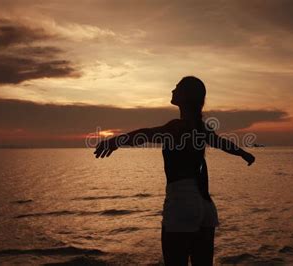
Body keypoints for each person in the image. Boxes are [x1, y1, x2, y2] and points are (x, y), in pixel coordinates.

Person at [94, 76, 255, 266]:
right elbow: (222, 143)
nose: (172, 90)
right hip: (206, 207)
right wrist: (244, 154)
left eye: (177, 87)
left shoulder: (178, 127)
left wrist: (115, 141)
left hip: (182, 204)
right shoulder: (201, 129)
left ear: (186, 96)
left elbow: (146, 134)